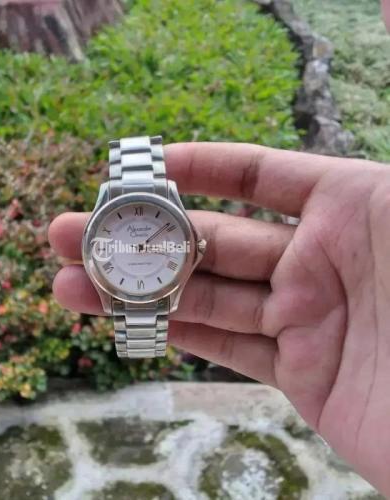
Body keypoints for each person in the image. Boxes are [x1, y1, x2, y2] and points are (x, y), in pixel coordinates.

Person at [49, 3, 390, 495]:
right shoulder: (125, 233)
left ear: (193, 247)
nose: (142, 244)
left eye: (153, 240)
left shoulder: (164, 242)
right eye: (138, 240)